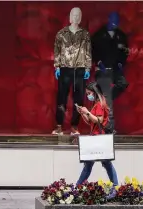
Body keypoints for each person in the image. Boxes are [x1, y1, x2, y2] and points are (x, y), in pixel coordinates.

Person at [52, 7, 92, 135]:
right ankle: (59, 125)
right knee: (62, 97)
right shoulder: (61, 34)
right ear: (70, 17)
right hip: (65, 69)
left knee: (78, 99)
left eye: (77, 15)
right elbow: (57, 50)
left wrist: (87, 67)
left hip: (79, 69)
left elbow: (87, 51)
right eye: (73, 15)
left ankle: (74, 126)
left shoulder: (84, 34)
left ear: (80, 18)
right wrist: (57, 66)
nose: (75, 17)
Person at [75, 81, 118, 199]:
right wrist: (83, 113)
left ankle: (77, 188)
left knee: (99, 164)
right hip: (97, 136)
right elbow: (91, 122)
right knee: (98, 164)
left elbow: (98, 120)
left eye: (89, 93)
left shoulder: (99, 104)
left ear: (94, 92)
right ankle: (115, 187)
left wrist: (87, 112)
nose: (88, 96)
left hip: (99, 137)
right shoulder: (97, 104)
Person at [91, 12, 129, 131]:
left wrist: (121, 63)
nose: (114, 24)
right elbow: (92, 51)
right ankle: (109, 126)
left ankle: (104, 98)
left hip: (116, 69)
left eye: (116, 22)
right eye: (113, 21)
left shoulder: (121, 36)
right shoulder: (98, 36)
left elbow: (125, 51)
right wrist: (98, 62)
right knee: (106, 89)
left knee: (122, 83)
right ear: (108, 20)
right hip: (102, 69)